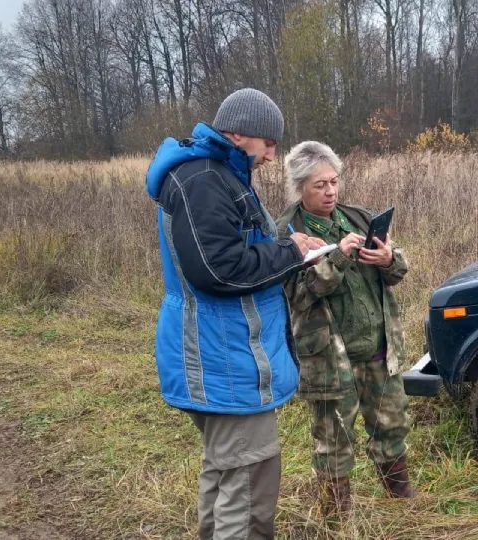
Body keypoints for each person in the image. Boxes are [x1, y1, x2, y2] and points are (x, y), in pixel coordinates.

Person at [145, 88, 322, 539]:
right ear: (241, 134)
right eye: (269, 143)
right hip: (224, 359)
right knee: (247, 491)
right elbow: (217, 270)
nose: (271, 155)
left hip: (226, 357)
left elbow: (231, 252)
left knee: (227, 475)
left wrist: (290, 249)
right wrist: (288, 254)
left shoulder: (217, 175)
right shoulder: (203, 180)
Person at [276, 140, 416, 516]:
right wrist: (337, 256)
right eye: (320, 185)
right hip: (328, 359)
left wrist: (388, 258)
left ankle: (400, 502)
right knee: (333, 440)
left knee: (392, 424)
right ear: (300, 187)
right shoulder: (287, 233)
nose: (331, 191)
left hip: (377, 348)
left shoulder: (357, 217)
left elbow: (398, 272)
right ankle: (337, 519)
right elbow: (298, 294)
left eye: (334, 181)